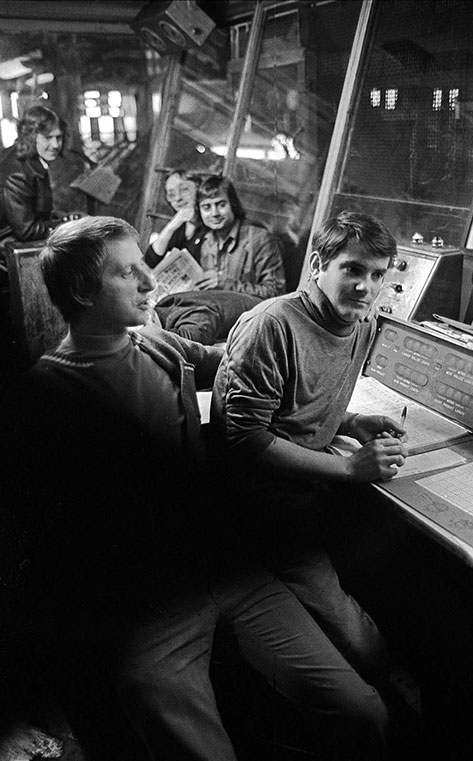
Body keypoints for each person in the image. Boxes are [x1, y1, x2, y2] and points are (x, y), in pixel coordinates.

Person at [2, 215, 390, 761]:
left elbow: (227, 361)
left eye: (144, 264)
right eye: (128, 272)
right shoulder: (47, 396)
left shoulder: (152, 346)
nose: (150, 280)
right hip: (145, 609)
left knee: (364, 711)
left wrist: (329, 402)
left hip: (226, 569)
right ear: (80, 291)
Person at [210, 210, 407, 692]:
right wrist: (348, 468)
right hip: (261, 517)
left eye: (377, 274)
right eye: (353, 269)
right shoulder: (271, 325)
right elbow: (245, 440)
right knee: (366, 651)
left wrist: (351, 421)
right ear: (319, 263)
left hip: (316, 501)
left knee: (408, 583)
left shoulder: (360, 323)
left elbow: (296, 405)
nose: (366, 286)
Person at [195, 174, 286, 299]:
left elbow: (276, 293)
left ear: (233, 204)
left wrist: (224, 284)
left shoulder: (259, 239)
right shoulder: (207, 243)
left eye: (221, 205)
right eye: (206, 207)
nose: (214, 213)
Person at [0, 104, 77, 243]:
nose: (55, 145)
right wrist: (66, 225)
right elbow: (27, 231)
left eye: (58, 137)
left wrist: (58, 217)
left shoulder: (29, 159)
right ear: (31, 137)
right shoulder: (17, 175)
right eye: (48, 137)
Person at [144, 168, 205, 269]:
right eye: (172, 194)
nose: (178, 198)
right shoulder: (178, 226)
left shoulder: (210, 224)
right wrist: (171, 227)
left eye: (184, 190)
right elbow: (150, 261)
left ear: (199, 191)